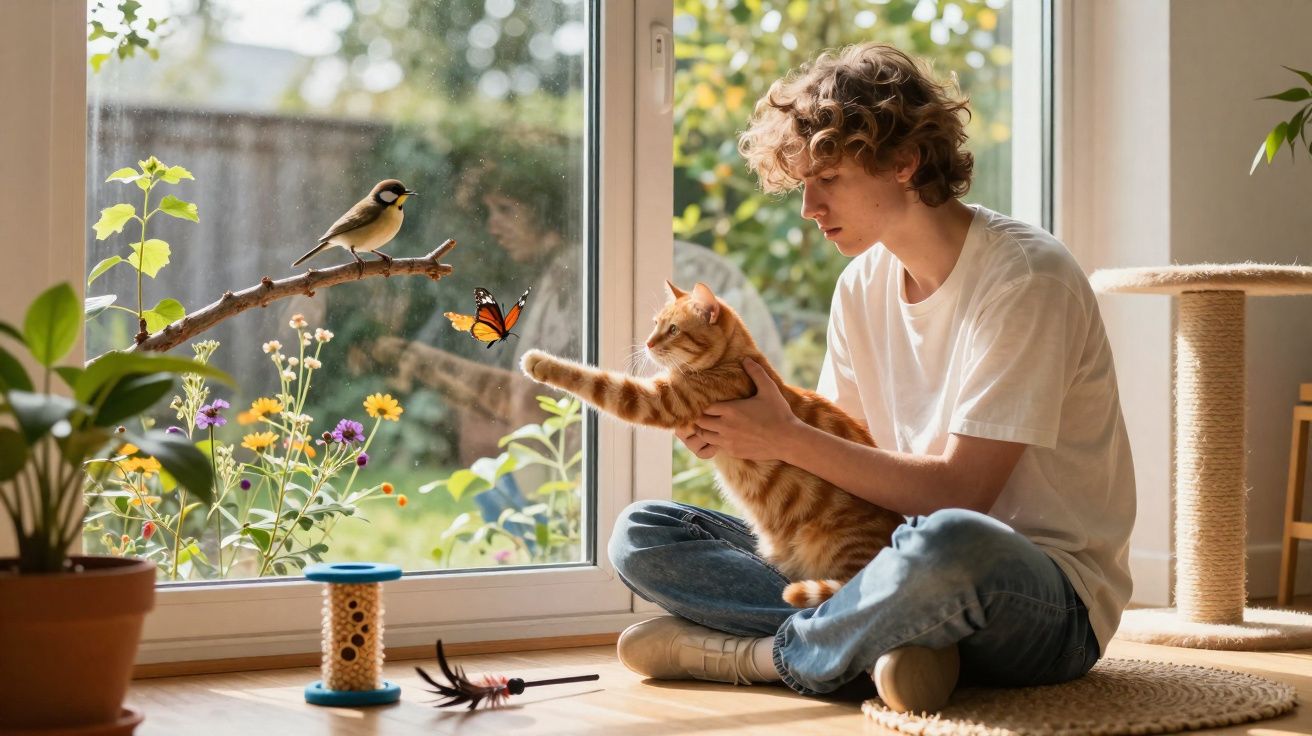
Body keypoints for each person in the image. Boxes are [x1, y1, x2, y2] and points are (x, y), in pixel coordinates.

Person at [607, 42, 1135, 713]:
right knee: (645, 531)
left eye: (828, 180)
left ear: (903, 163)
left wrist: (787, 436)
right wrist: (746, 438)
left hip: (1035, 597)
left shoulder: (1026, 279)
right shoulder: (861, 284)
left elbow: (962, 494)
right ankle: (891, 647)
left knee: (946, 542)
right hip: (883, 560)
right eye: (803, 187)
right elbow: (838, 471)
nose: (809, 209)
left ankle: (767, 657)